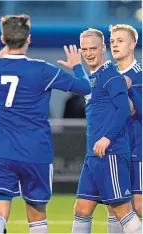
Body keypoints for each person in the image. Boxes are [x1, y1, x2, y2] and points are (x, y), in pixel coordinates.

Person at [0, 14, 91, 234]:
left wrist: (2, 56)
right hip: (35, 154)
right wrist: (76, 66)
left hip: (0, 152)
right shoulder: (43, 70)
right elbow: (85, 87)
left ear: (4, 39)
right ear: (29, 39)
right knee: (37, 219)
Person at [61, 28, 142, 234]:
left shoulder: (111, 76)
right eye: (84, 49)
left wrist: (106, 138)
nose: (88, 53)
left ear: (103, 48)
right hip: (94, 155)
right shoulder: (94, 76)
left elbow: (125, 108)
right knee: (82, 208)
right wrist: (77, 67)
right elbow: (86, 86)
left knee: (122, 209)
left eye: (93, 48)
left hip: (111, 153)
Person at [106, 24, 142, 233]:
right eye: (112, 41)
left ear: (133, 44)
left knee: (138, 205)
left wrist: (129, 91)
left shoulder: (139, 75)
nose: (115, 45)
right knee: (115, 206)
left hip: (137, 148)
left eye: (120, 41)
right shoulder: (109, 75)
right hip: (115, 150)